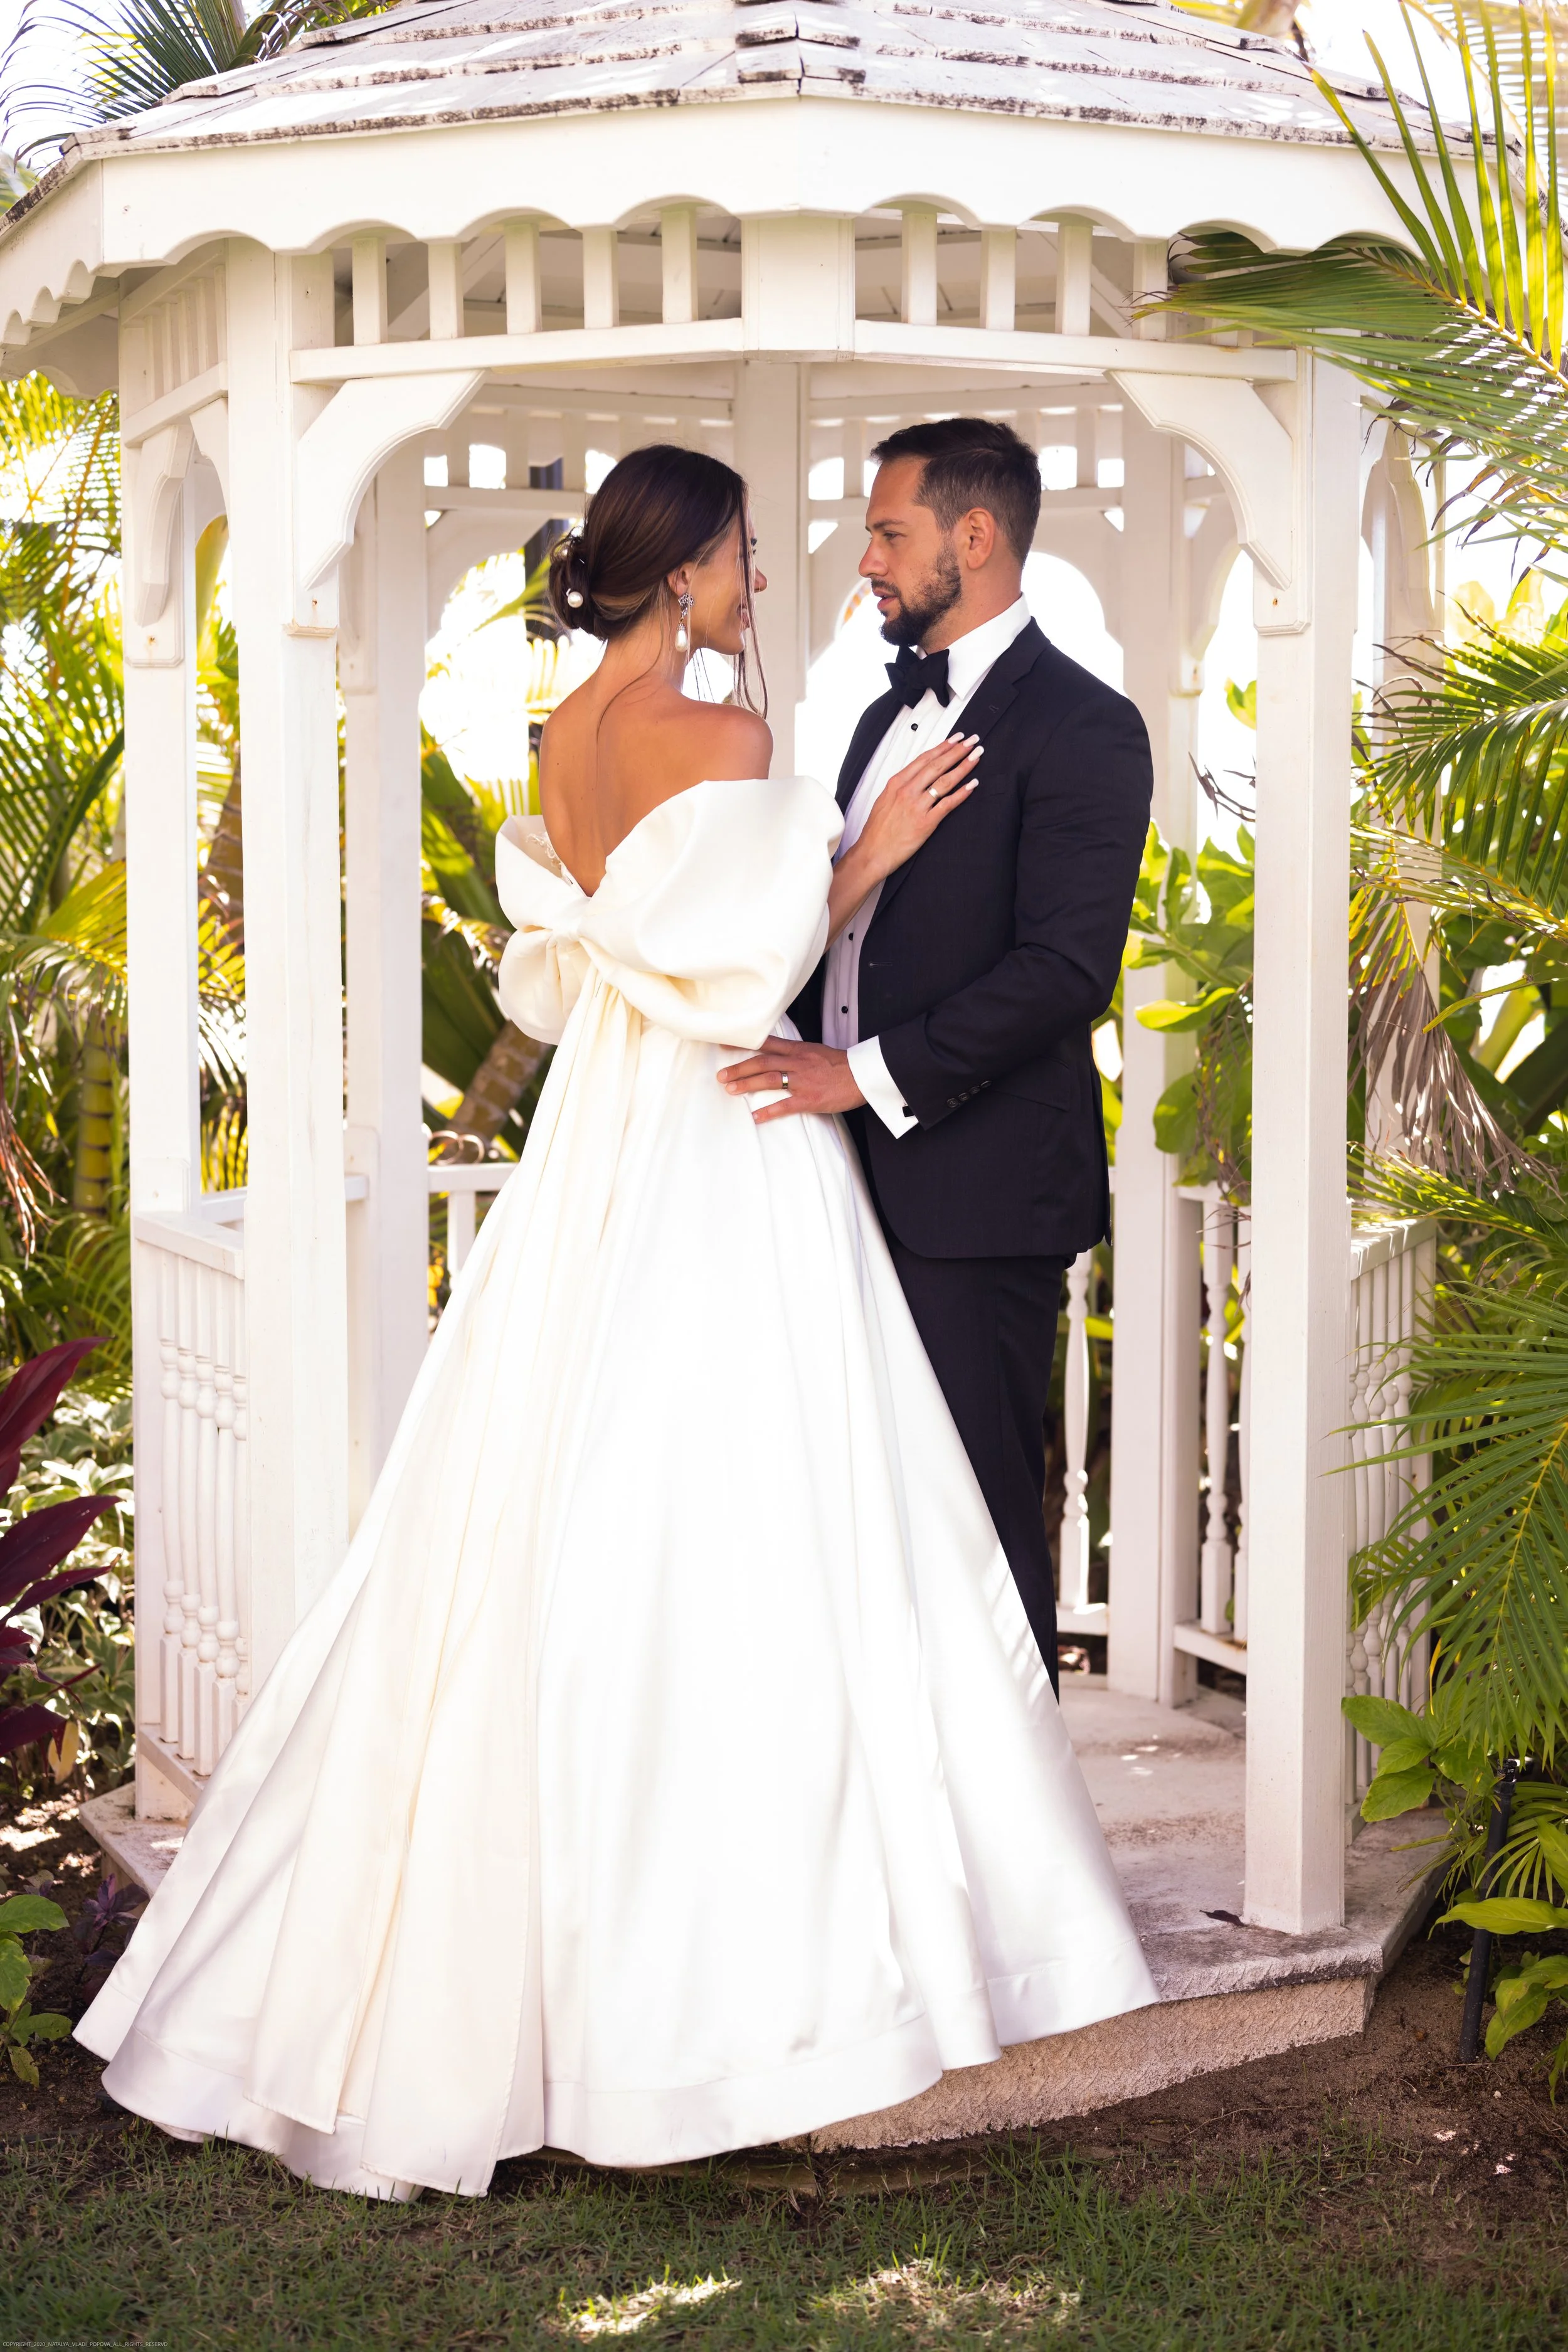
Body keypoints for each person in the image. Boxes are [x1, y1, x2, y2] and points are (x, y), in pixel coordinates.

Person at [77, 444, 1155, 2203]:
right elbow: (742, 974)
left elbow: (644, 953)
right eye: (746, 552)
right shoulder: (728, 741)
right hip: (733, 1132)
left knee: (571, 1493)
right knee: (775, 1503)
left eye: (867, 529)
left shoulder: (556, 741)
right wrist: (863, 851)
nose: (779, 572)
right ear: (684, 575)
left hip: (608, 1143)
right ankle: (782, 1946)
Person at [721, 419, 1153, 1686]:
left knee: (973, 1520)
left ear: (973, 538)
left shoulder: (1087, 727)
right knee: (865, 1517)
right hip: (842, 1179)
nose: (866, 559)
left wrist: (856, 1077)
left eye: (888, 532)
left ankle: (1023, 1858)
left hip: (975, 1198)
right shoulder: (872, 720)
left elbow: (1063, 973)